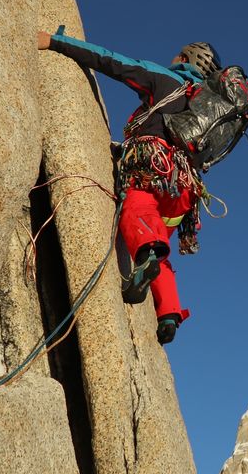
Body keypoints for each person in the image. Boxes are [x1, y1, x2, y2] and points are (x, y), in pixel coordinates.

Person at [36, 26, 220, 344]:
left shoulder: (165, 79)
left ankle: (146, 256)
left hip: (154, 166)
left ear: (186, 58)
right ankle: (169, 315)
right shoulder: (208, 110)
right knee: (159, 244)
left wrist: (55, 42)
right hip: (185, 194)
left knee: (137, 204)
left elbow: (112, 61)